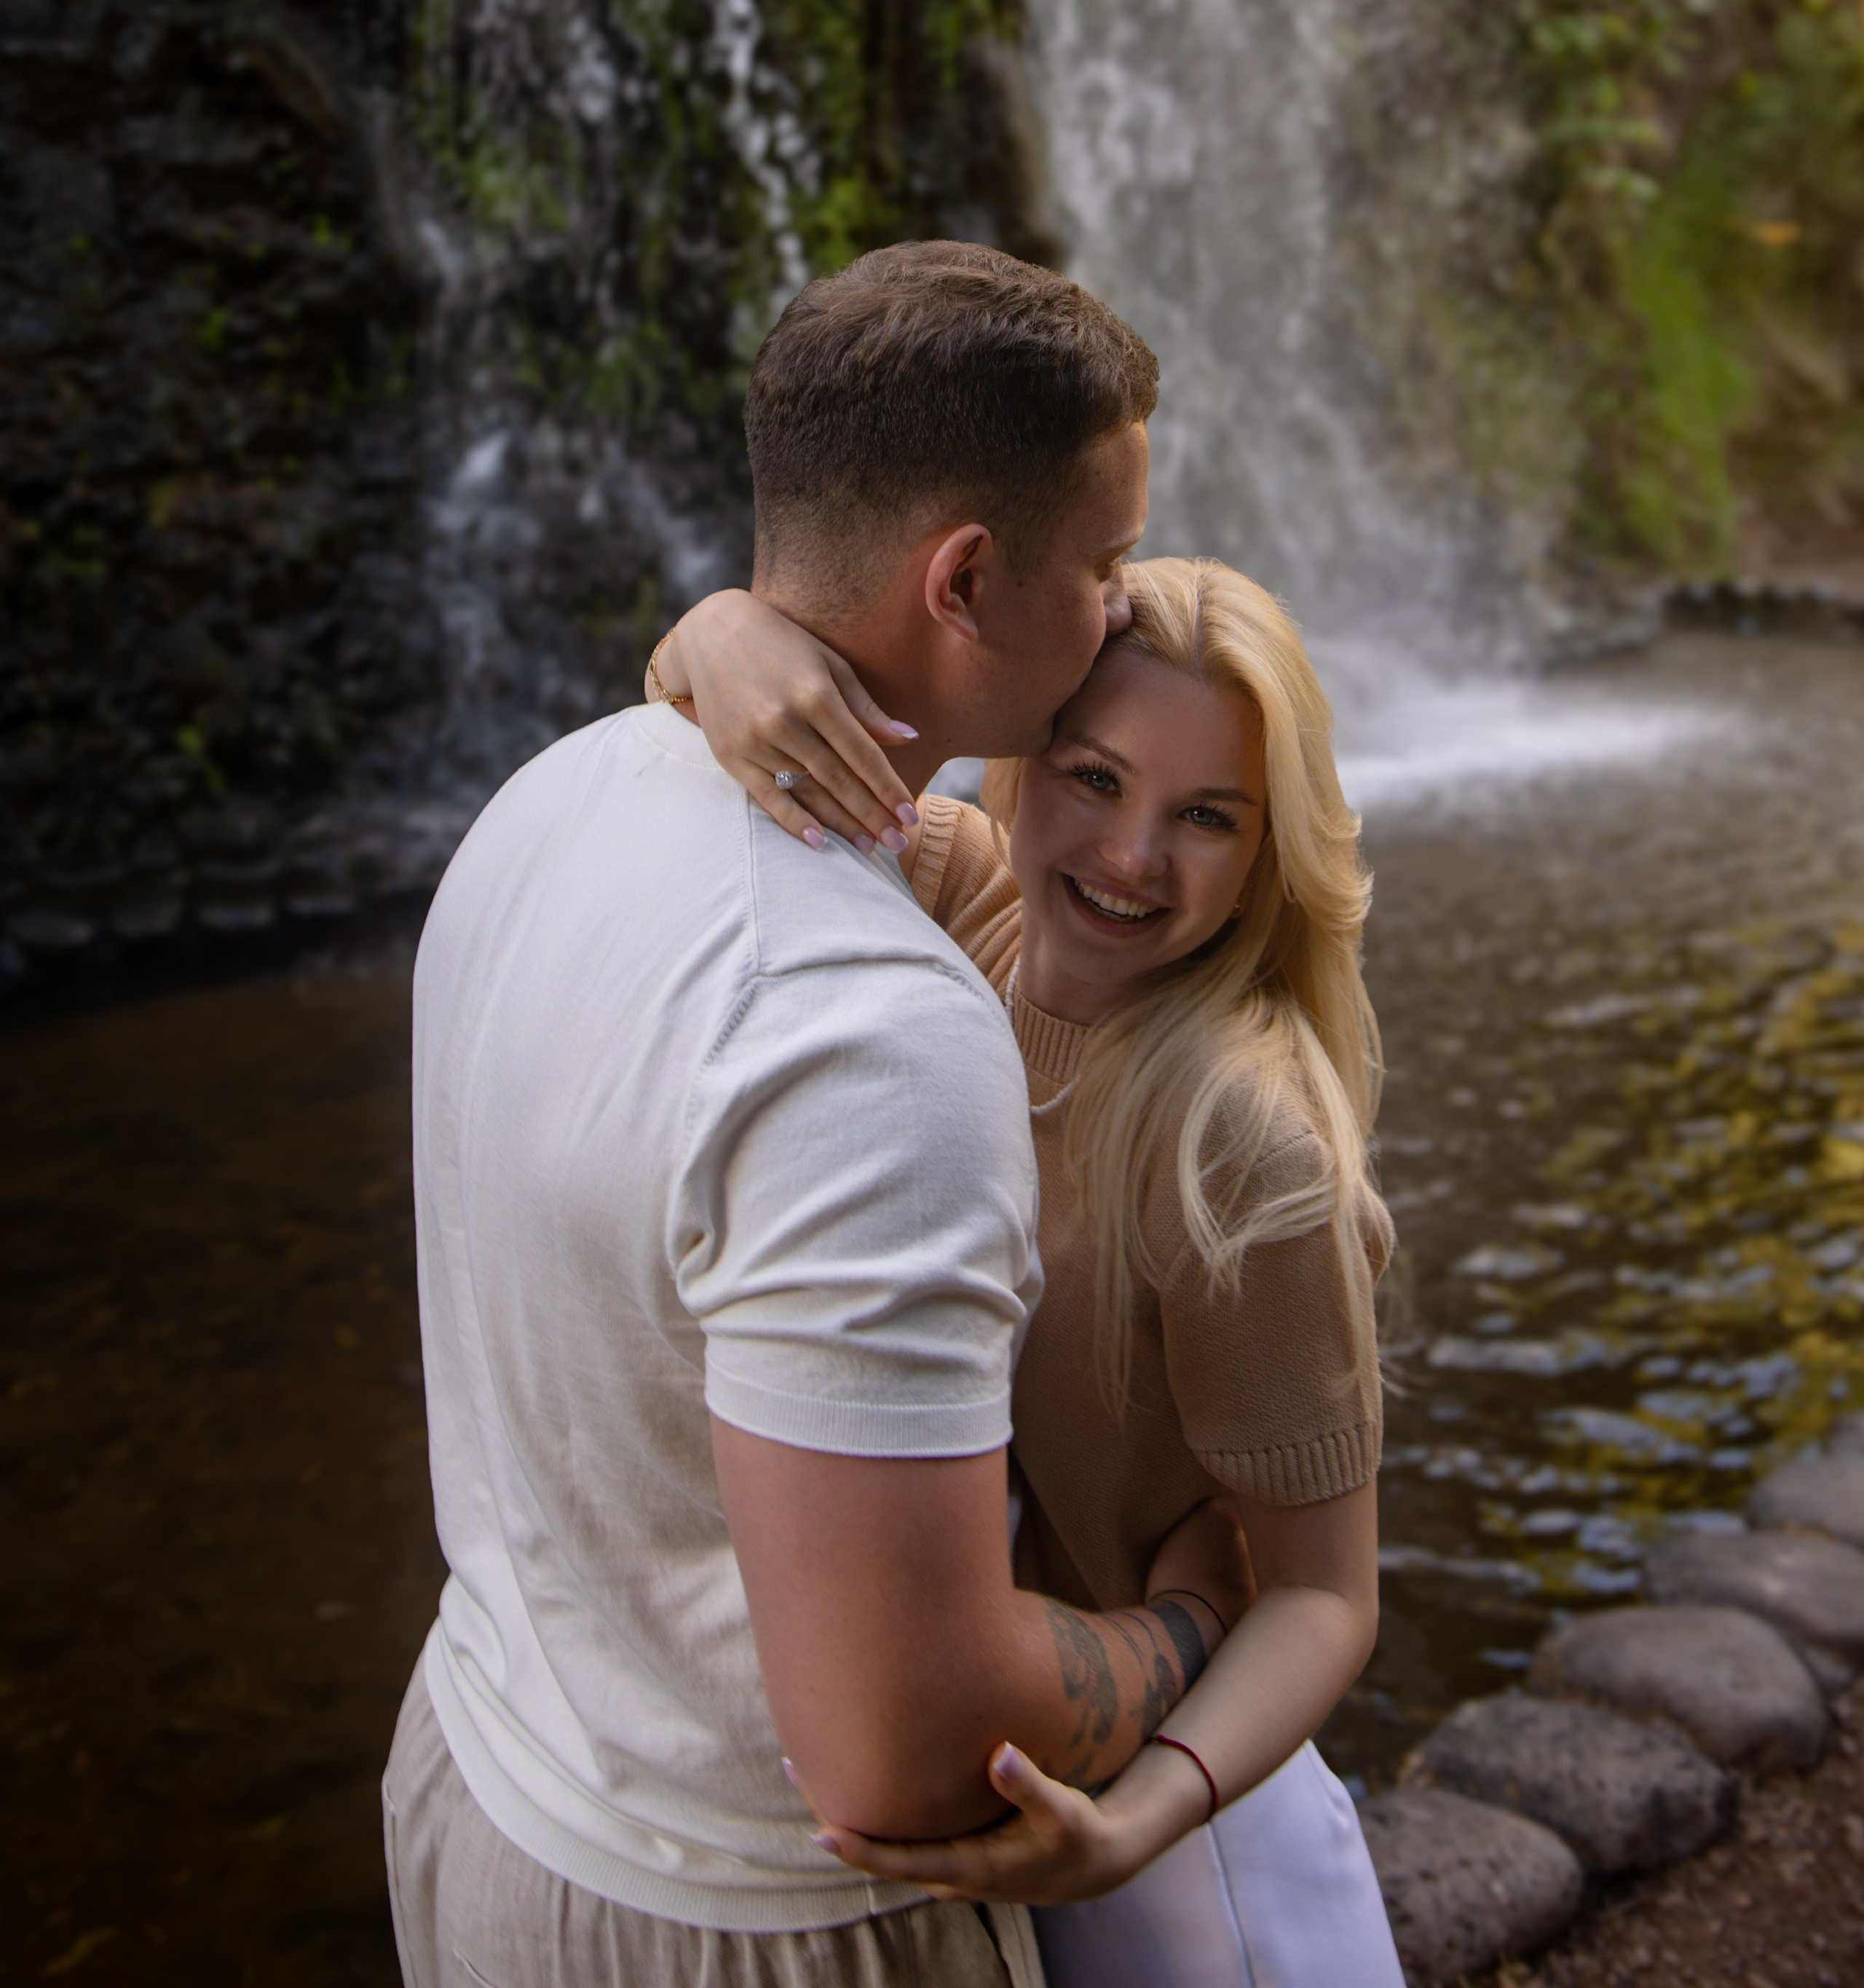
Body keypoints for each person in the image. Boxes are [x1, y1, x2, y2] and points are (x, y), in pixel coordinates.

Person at [384, 241, 1252, 1988]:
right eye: (1097, 563)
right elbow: (898, 1754)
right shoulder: (873, 1042)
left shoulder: (553, 795)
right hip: (756, 1920)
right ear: (964, 577)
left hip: (486, 1783)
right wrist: (1191, 1625)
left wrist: (718, 629)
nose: (1115, 606)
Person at [653, 552, 1406, 1987]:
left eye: (1205, 817)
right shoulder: (959, 898)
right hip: (984, 1726)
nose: (1130, 858)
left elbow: (1324, 1598)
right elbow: (706, 729)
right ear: (1017, 761)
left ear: (1264, 855)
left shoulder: (1238, 1142)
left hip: (1178, 1826)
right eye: (1092, 778)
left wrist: (1142, 1821)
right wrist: (714, 632)